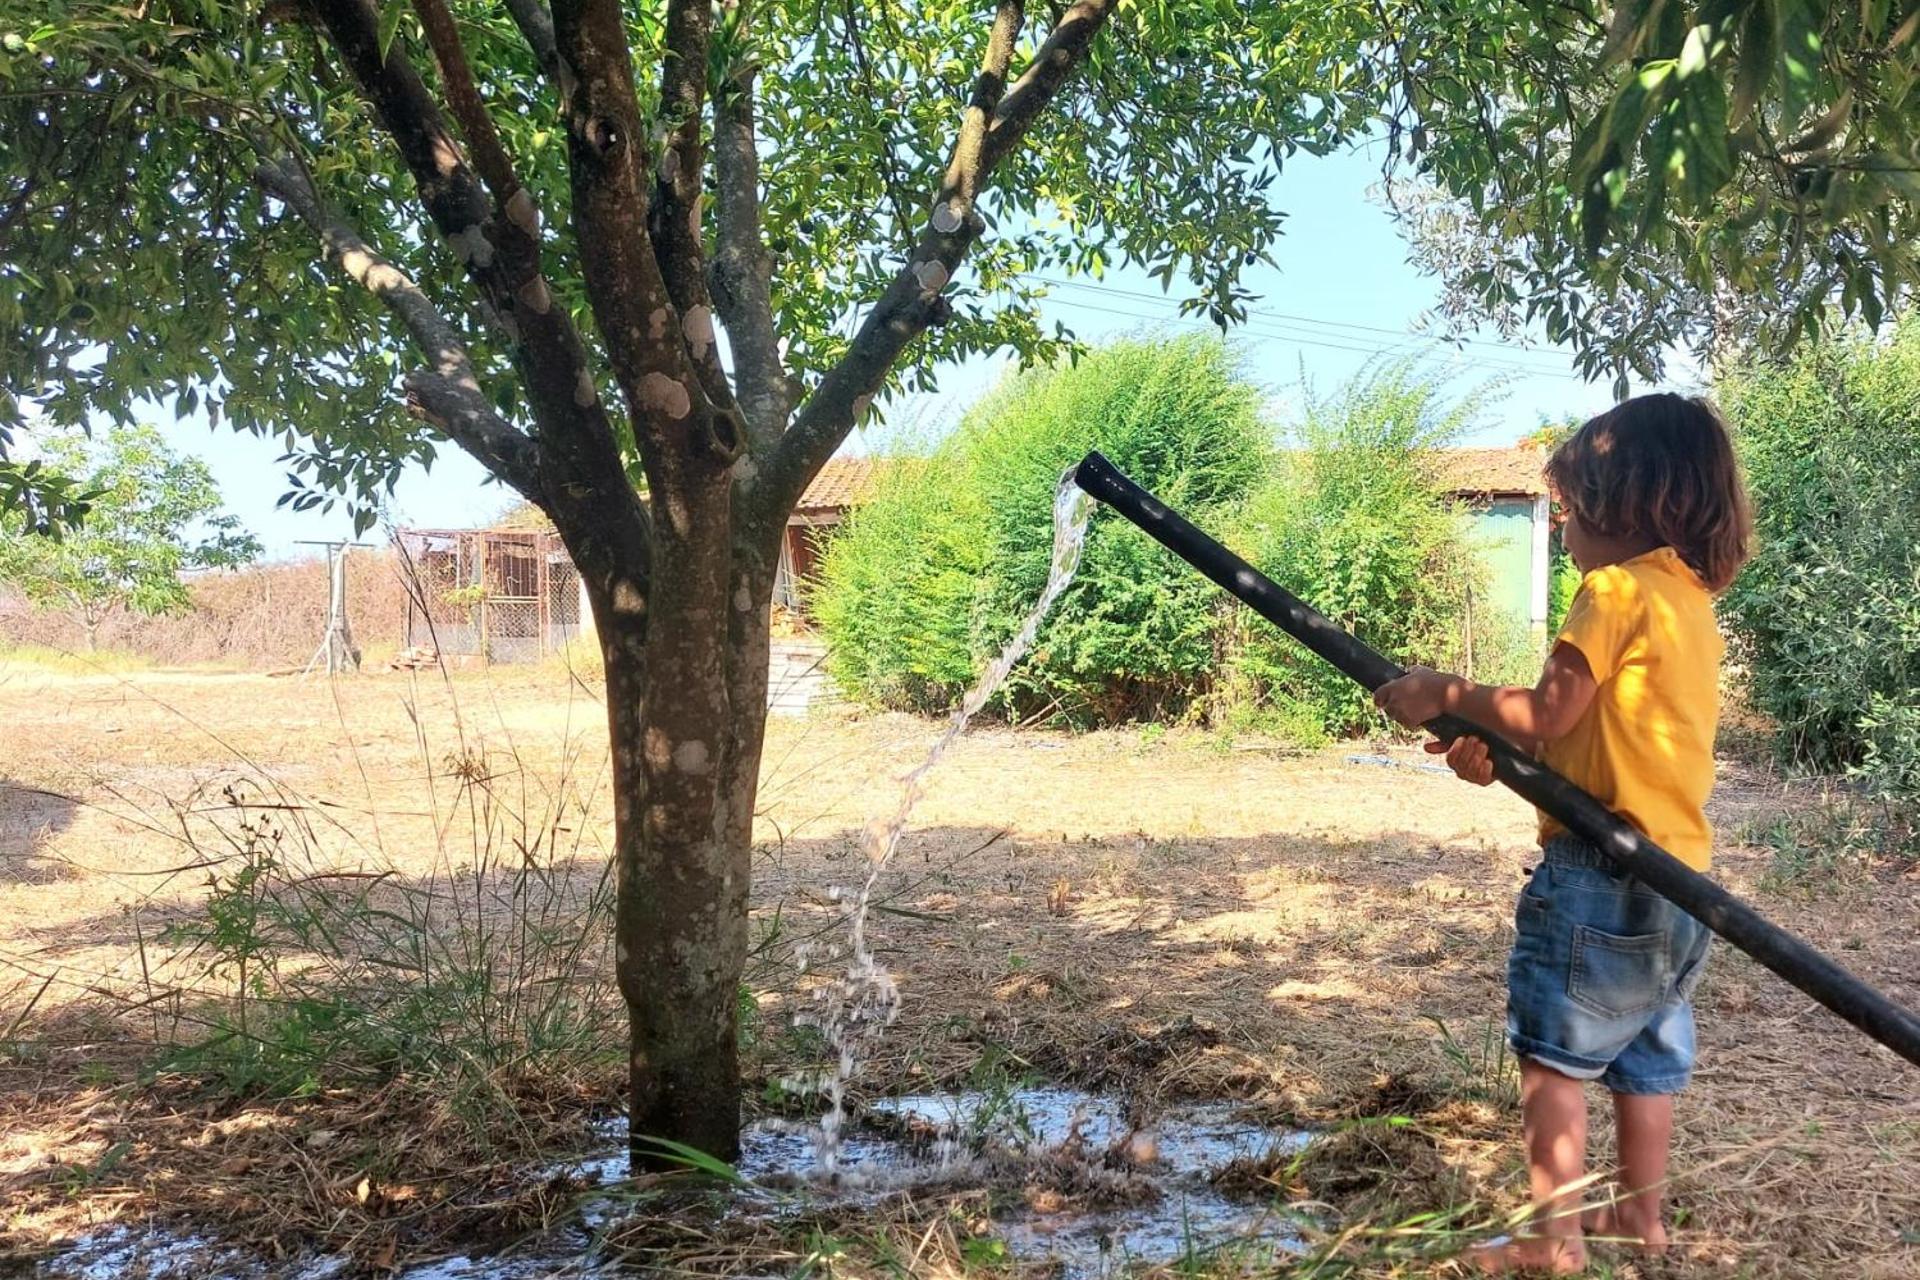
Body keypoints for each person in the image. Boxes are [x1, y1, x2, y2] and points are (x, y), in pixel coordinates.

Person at [1373, 393, 1753, 1274]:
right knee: (1648, 1052)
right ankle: (1639, 1223)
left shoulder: (1614, 589)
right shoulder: (1688, 603)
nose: (1565, 533)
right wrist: (1489, 750)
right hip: (1679, 874)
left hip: (1598, 873)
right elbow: (1594, 739)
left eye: (1574, 513)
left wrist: (1451, 692)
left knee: (1557, 1060)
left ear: (1628, 505)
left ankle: (1554, 1240)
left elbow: (1549, 712)